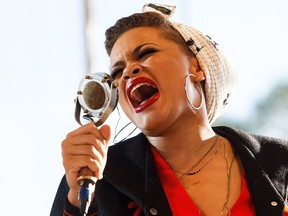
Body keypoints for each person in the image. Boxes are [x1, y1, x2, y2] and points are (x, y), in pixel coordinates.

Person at [50, 3, 288, 216]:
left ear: (197, 66)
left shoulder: (279, 160)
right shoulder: (99, 179)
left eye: (146, 53)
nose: (128, 72)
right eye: (117, 72)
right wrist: (76, 203)